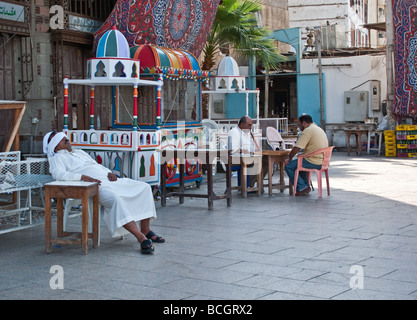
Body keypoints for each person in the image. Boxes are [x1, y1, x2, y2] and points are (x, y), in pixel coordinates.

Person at [43, 131, 165, 254]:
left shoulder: (79, 152)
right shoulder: (58, 157)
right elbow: (58, 174)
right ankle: (140, 237)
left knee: (144, 187)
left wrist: (108, 172)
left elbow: (95, 165)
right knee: (115, 199)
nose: (68, 141)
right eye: (64, 140)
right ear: (56, 146)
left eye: (67, 139)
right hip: (94, 185)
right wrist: (81, 177)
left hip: (109, 180)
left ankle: (146, 229)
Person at [284, 114, 329, 196]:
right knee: (299, 164)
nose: (299, 127)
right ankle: (305, 186)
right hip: (323, 161)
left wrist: (289, 158)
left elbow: (297, 148)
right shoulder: (318, 128)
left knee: (289, 166)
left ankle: (302, 187)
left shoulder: (308, 131)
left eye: (299, 125)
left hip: (314, 161)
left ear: (304, 123)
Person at [227, 116, 262, 188]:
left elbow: (252, 146)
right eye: (249, 125)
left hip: (248, 157)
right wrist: (244, 150)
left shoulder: (247, 133)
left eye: (251, 125)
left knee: (265, 161)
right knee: (258, 163)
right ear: (242, 124)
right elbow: (232, 149)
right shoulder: (234, 132)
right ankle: (246, 186)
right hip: (235, 159)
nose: (250, 127)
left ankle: (250, 185)